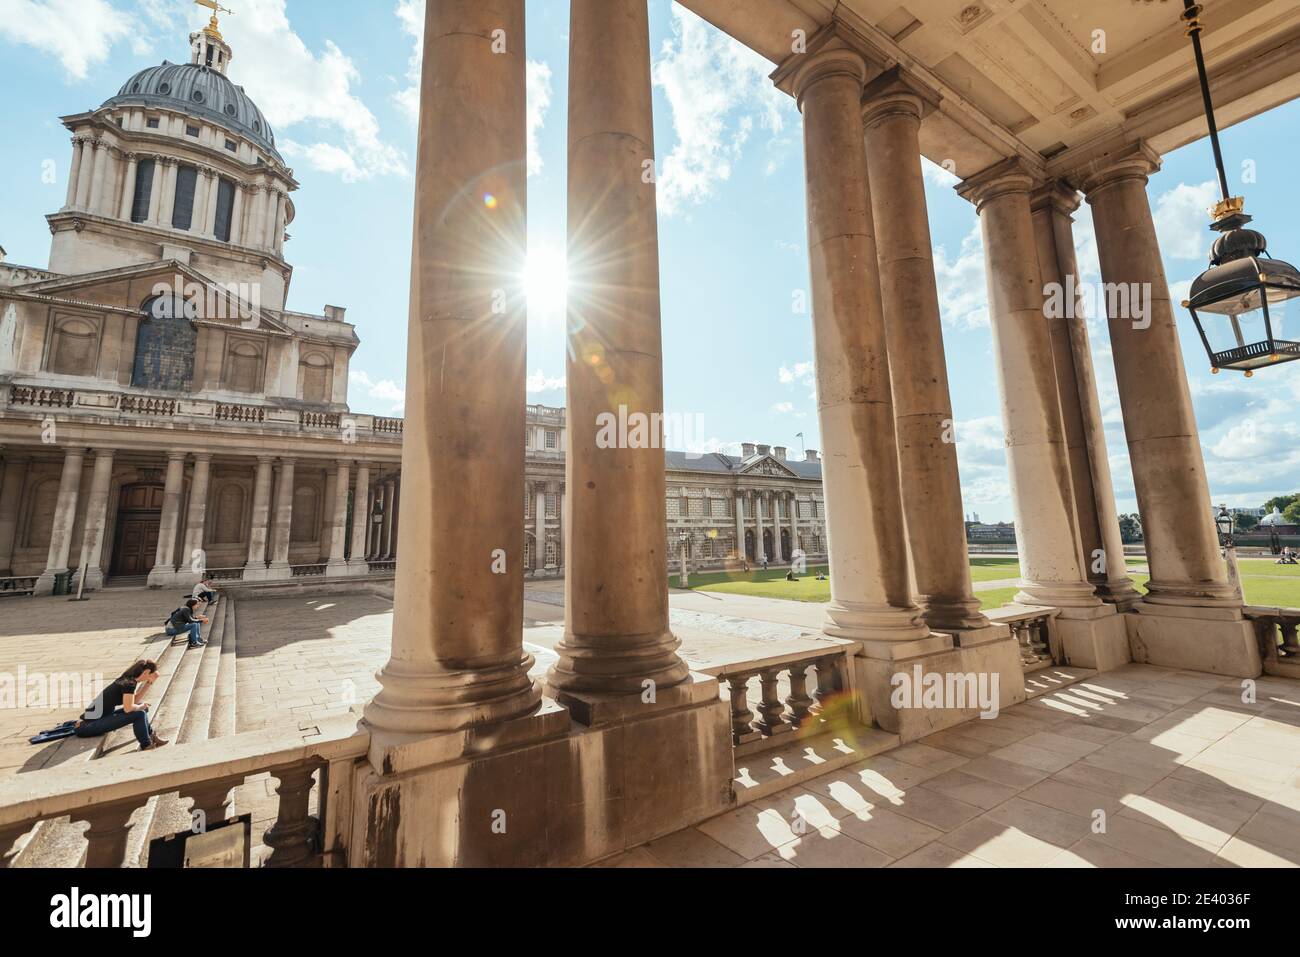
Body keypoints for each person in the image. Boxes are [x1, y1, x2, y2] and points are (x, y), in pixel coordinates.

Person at [74, 660, 167, 751]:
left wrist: (149, 683)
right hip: (86, 726)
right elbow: (128, 709)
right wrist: (141, 707)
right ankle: (146, 745)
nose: (149, 678)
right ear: (146, 672)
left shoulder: (126, 680)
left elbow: (134, 700)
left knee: (140, 709)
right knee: (140, 714)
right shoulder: (129, 684)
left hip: (96, 720)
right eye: (150, 675)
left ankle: (152, 737)